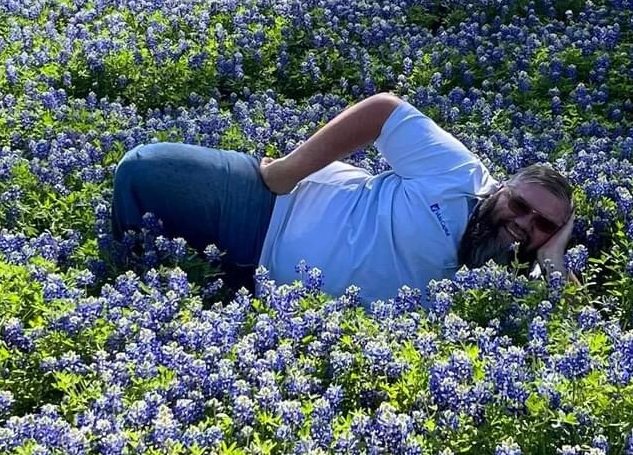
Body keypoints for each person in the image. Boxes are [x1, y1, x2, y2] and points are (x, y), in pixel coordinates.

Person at [111, 92, 576, 308]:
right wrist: (283, 172)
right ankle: (129, 278)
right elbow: (382, 112)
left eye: (543, 225)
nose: (524, 223)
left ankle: (203, 284)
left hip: (285, 310)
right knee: (145, 169)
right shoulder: (459, 174)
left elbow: (571, 326)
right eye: (520, 205)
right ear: (503, 190)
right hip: (268, 211)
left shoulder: (516, 275)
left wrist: (553, 256)